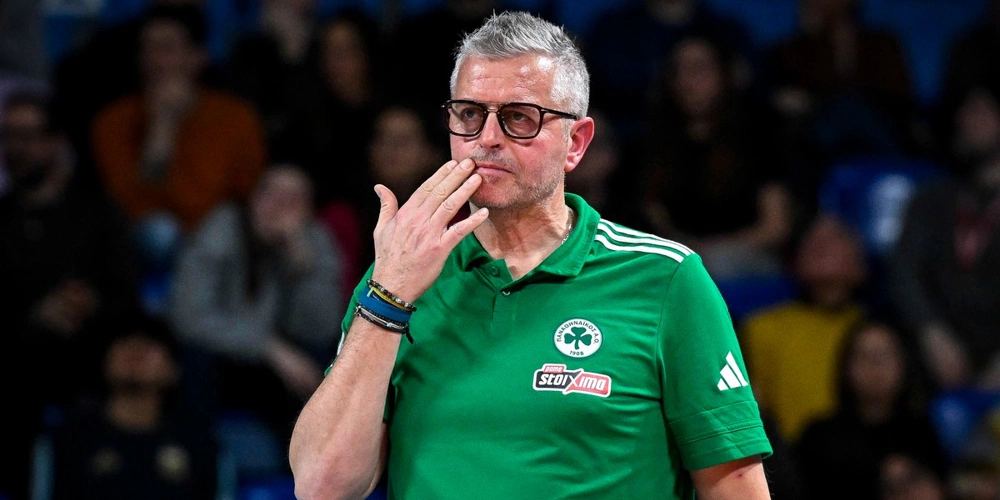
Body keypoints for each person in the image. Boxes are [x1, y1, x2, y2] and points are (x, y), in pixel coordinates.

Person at [288, 11, 772, 500]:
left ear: (576, 143)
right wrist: (388, 295)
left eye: (519, 117)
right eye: (469, 114)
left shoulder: (665, 279)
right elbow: (322, 485)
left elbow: (737, 491)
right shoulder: (395, 280)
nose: (487, 138)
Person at [0, 90, 139, 500]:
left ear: (57, 141)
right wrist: (36, 315)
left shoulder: (98, 212)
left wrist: (88, 305)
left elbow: (126, 296)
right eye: (8, 135)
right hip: (15, 365)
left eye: (28, 135)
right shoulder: (0, 218)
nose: (16, 148)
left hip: (90, 361)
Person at [169, 164, 344, 454]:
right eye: (271, 193)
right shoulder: (222, 228)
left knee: (323, 367)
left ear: (309, 210)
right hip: (223, 355)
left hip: (275, 367)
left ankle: (309, 471)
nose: (279, 206)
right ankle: (197, 466)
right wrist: (267, 347)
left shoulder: (314, 240)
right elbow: (189, 318)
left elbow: (321, 330)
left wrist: (300, 266)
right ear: (253, 198)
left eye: (293, 199)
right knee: (195, 365)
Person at [47, 313, 218, 500]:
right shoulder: (70, 437)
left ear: (174, 371)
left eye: (150, 343)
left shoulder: (197, 444)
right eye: (124, 341)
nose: (136, 349)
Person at [741, 213, 868, 443]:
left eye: (834, 238)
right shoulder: (759, 328)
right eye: (810, 239)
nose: (819, 245)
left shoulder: (878, 333)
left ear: (860, 264)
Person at [794, 319, 947, 500]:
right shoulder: (819, 437)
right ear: (845, 366)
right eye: (863, 356)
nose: (875, 365)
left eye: (885, 355)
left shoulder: (923, 432)